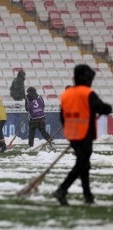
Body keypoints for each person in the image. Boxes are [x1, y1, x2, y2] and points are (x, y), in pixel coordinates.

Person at [53, 64, 112, 206]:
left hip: (72, 134)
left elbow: (62, 116)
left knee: (83, 164)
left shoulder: (66, 94)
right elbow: (101, 108)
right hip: (85, 134)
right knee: (82, 164)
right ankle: (62, 189)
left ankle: (88, 196)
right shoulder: (87, 93)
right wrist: (107, 108)